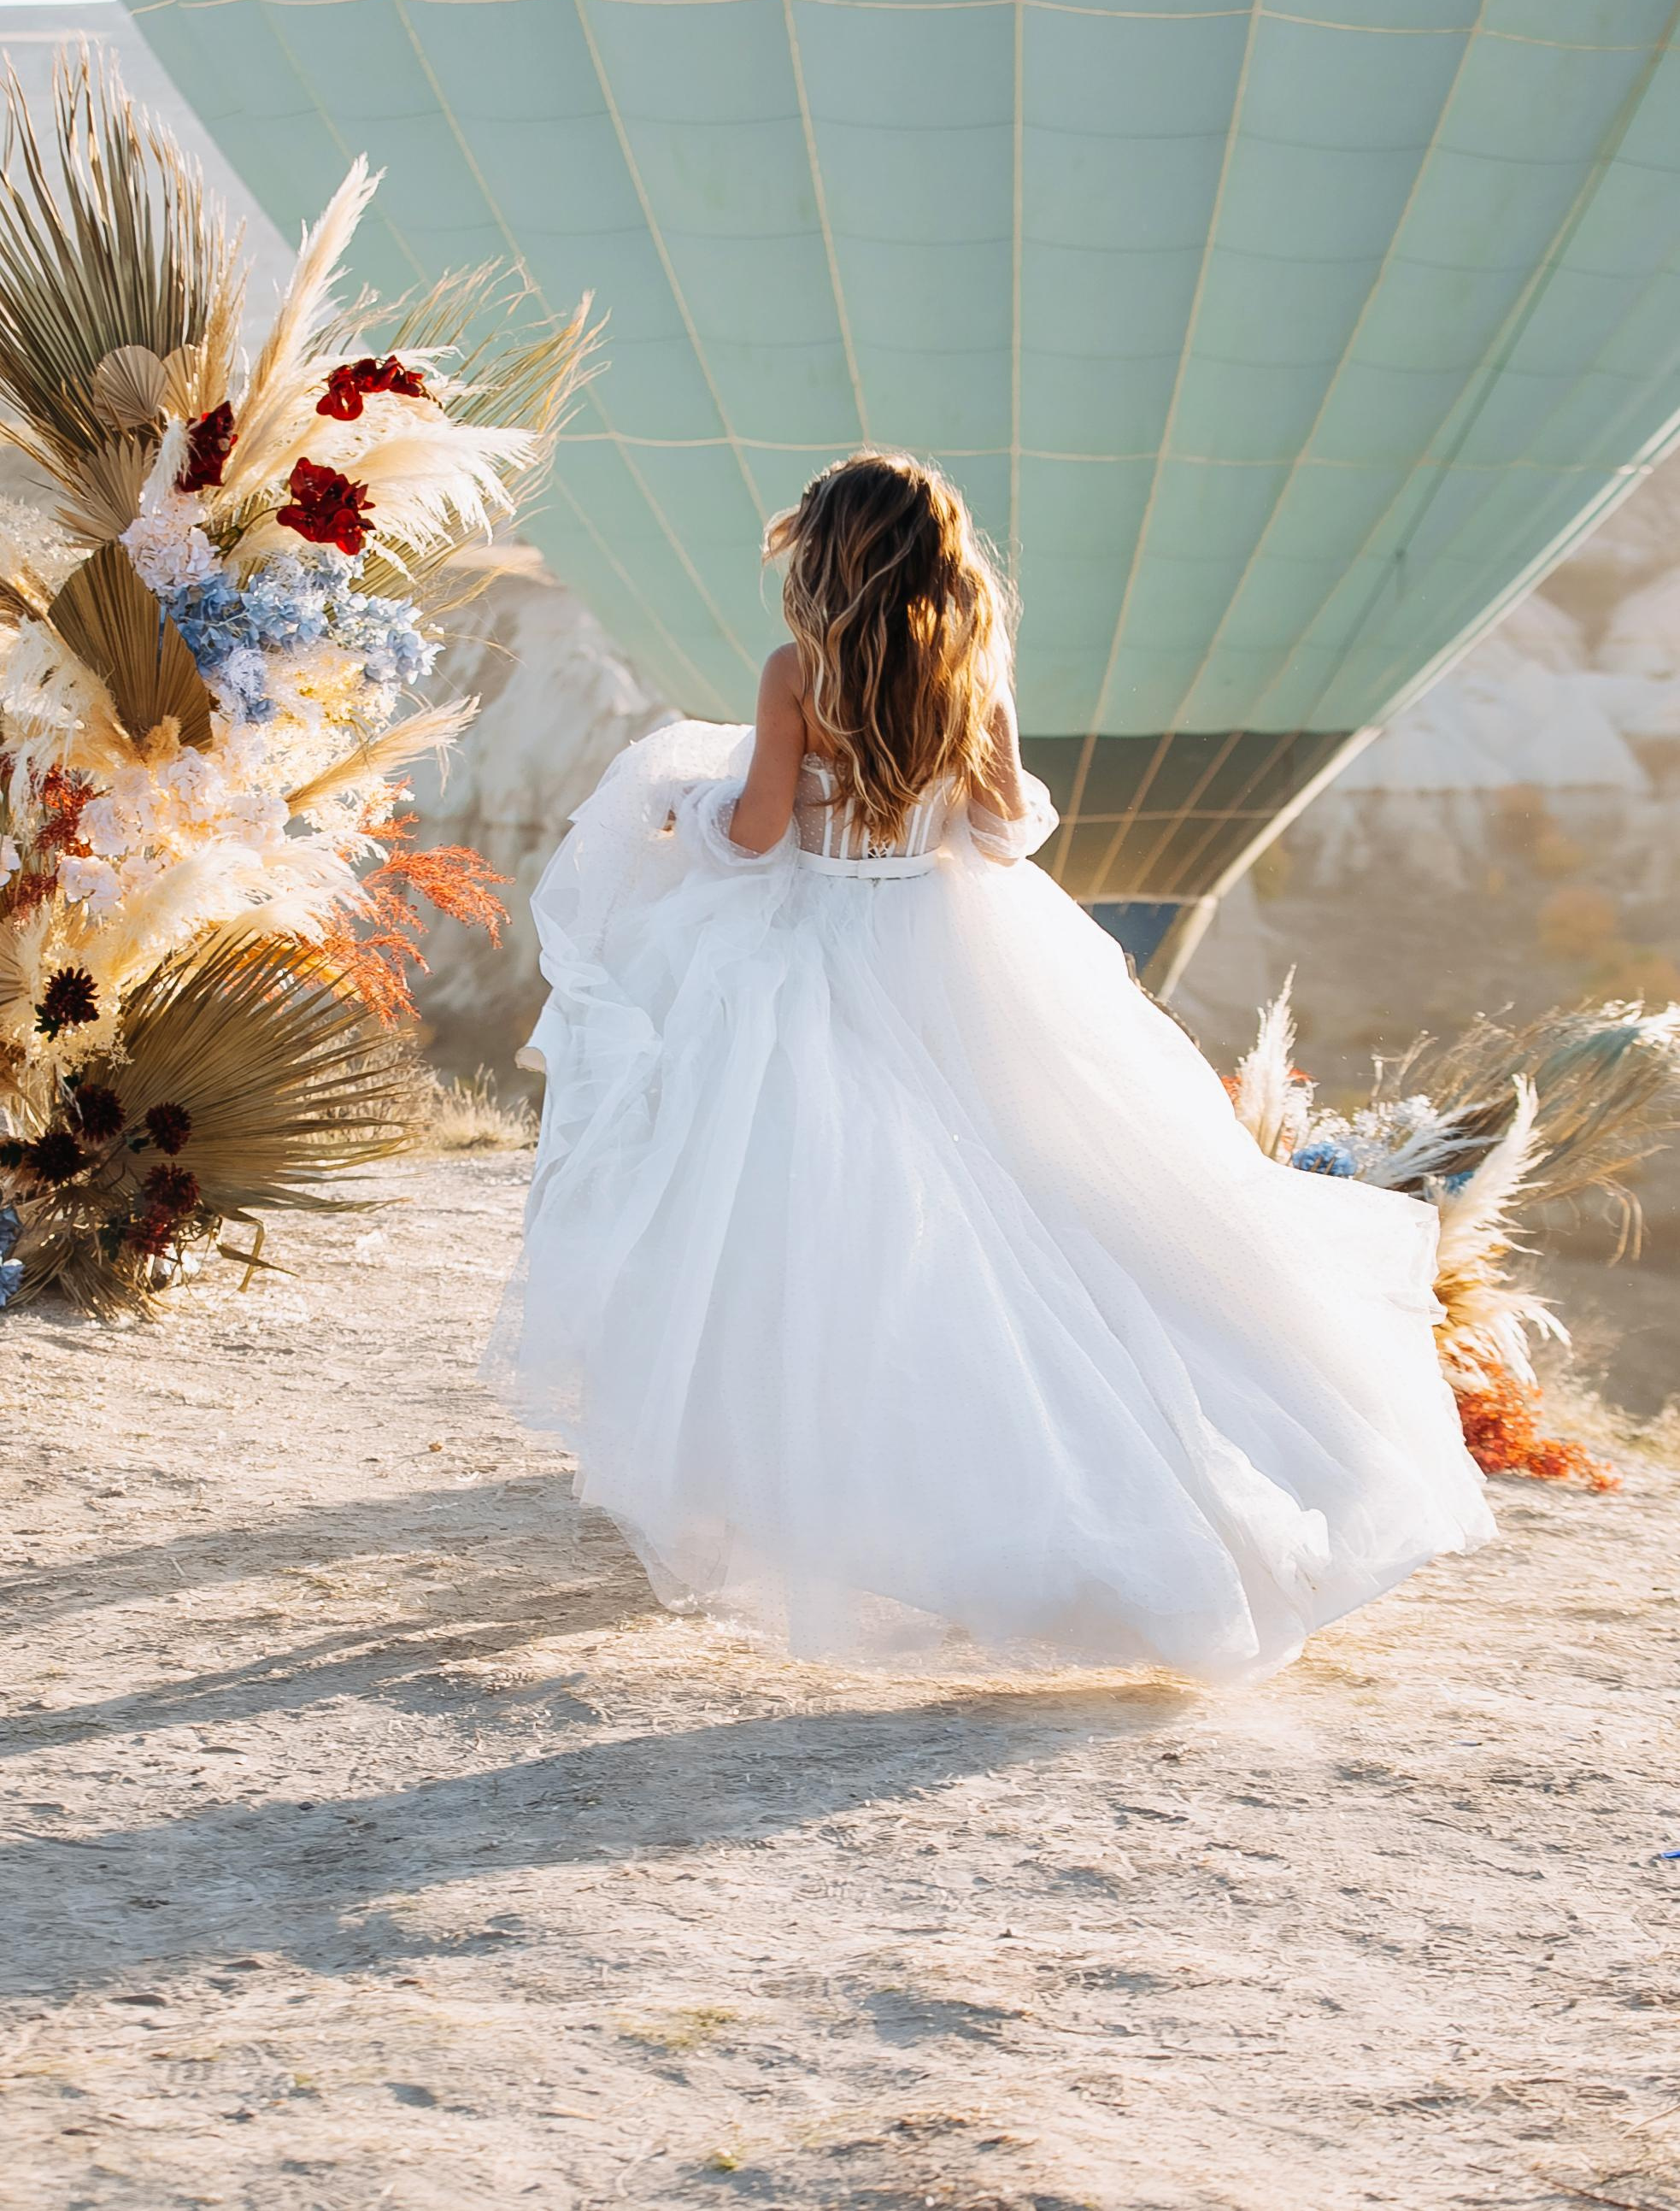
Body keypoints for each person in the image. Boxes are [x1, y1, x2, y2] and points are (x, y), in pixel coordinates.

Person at [496, 451, 1493, 1678]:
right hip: (952, 947)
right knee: (1035, 1197)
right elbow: (1004, 828)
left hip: (818, 957)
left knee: (814, 1222)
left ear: (825, 560)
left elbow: (754, 836)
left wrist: (681, 809)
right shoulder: (972, 666)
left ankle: (812, 1472)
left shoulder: (793, 676)